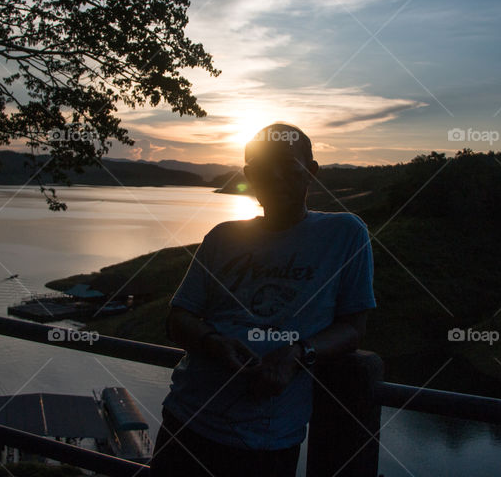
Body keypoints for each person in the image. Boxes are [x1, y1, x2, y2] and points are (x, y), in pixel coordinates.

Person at [148, 122, 376, 477]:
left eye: (287, 164)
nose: (275, 177)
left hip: (267, 441)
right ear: (250, 175)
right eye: (260, 169)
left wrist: (296, 354)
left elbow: (353, 327)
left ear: (311, 172)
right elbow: (178, 318)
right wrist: (214, 343)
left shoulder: (345, 234)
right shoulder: (223, 237)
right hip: (186, 420)